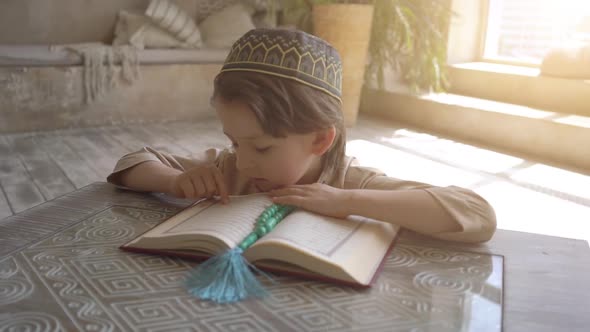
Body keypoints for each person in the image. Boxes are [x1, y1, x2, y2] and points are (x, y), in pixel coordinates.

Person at [107, 28, 496, 243]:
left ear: (320, 141)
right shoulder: (231, 170)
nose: (243, 159)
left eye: (261, 146)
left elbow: (478, 214)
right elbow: (130, 163)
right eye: (233, 141)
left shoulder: (346, 182)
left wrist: (348, 201)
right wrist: (175, 180)